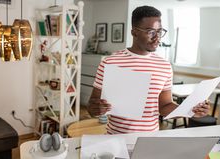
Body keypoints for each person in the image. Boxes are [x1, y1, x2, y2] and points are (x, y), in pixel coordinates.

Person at [87, 6, 210, 134]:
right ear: (134, 32)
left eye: (160, 31)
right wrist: (96, 109)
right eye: (151, 32)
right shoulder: (110, 62)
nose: (157, 37)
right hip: (115, 137)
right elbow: (91, 106)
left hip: (150, 138)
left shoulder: (165, 66)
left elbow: (164, 107)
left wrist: (190, 111)